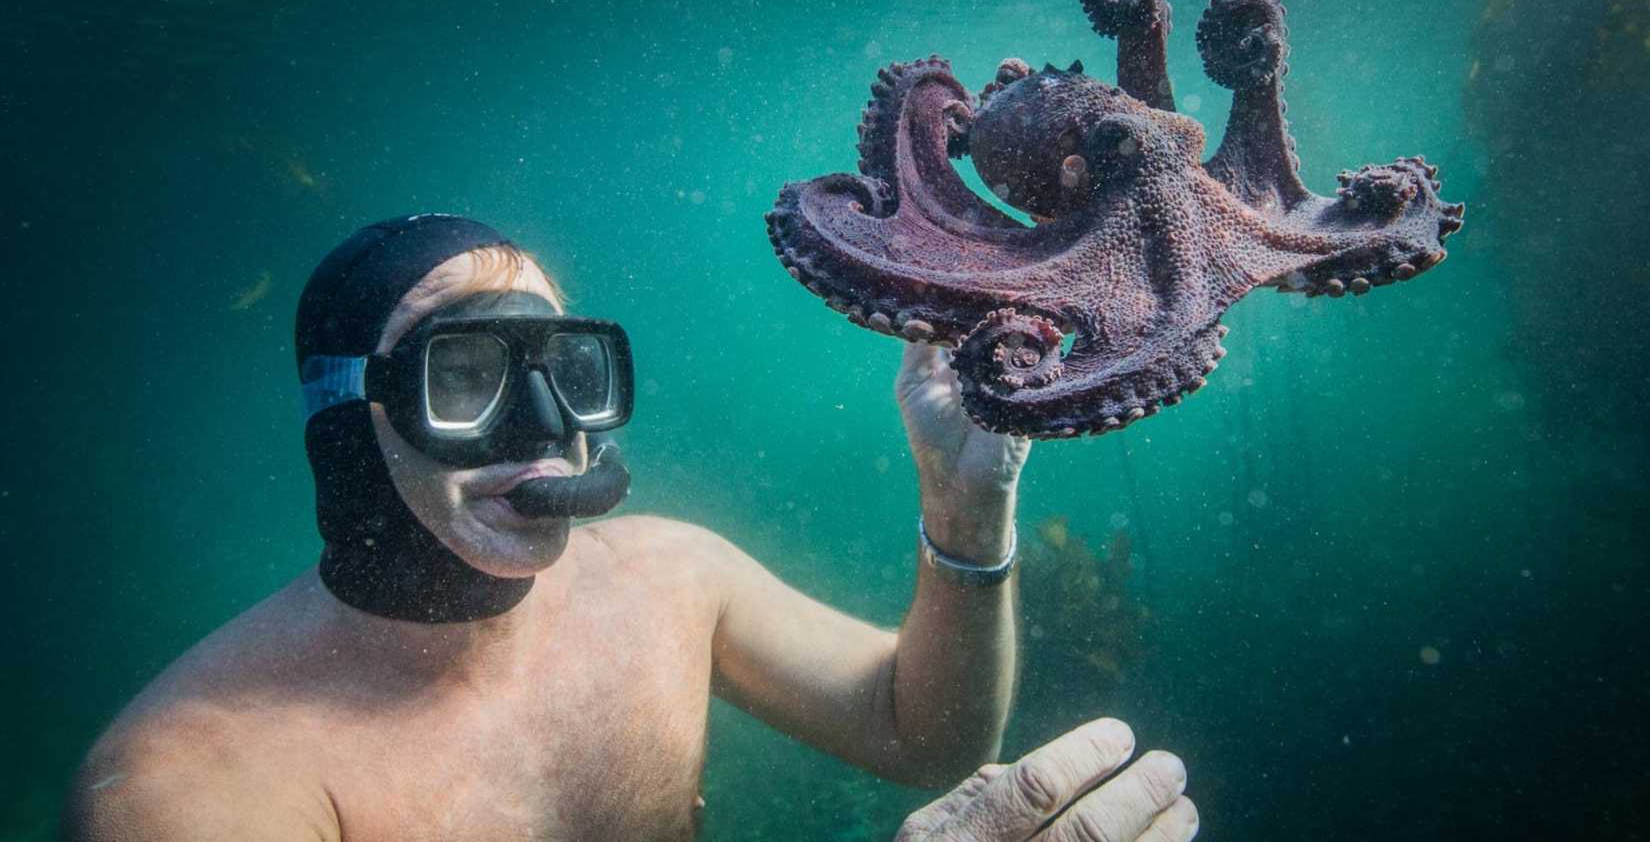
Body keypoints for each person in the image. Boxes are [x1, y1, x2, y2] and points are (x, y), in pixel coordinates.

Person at [64, 214, 1195, 841]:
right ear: (349, 425)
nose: (551, 429)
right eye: (465, 375)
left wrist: (964, 501)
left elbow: (926, 733)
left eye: (569, 367)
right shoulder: (194, 789)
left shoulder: (667, 578)